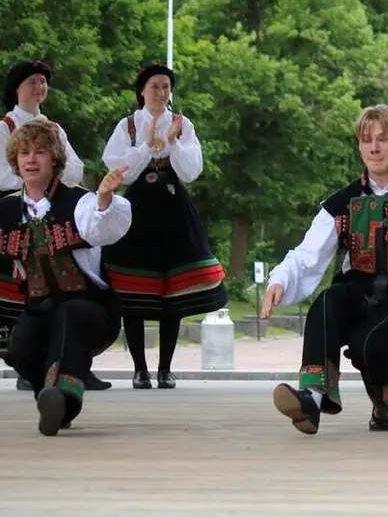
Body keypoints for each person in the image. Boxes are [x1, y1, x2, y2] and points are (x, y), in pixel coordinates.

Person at [261, 105, 388, 434]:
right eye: (366, 140)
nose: (374, 147)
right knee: (326, 303)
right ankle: (310, 399)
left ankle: (385, 402)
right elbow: (307, 253)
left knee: (367, 343)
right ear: (359, 146)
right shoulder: (340, 203)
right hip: (356, 291)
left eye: (383, 139)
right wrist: (280, 280)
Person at [1, 120, 131, 435]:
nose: (31, 159)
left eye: (41, 152)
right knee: (20, 344)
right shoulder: (6, 210)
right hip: (40, 309)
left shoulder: (80, 202)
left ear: (55, 160)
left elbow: (101, 227)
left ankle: (63, 401)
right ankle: (51, 403)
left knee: (71, 315)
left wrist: (103, 200)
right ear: (16, 161)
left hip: (92, 310)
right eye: (25, 153)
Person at [101, 64, 227, 389]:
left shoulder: (183, 124)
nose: (161, 92)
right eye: (155, 86)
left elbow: (191, 171)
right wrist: (148, 146)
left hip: (172, 208)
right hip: (137, 209)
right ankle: (140, 368)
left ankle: (165, 368)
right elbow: (120, 170)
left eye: (166, 86)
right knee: (133, 292)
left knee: (172, 293)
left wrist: (172, 142)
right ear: (142, 90)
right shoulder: (128, 125)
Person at [1, 60, 107, 392]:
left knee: (70, 286)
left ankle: (73, 369)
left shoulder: (55, 127)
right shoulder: (4, 126)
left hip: (55, 208)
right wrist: (35, 171)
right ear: (17, 88)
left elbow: (74, 169)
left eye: (43, 82)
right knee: (28, 296)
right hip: (15, 213)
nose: (39, 87)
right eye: (32, 81)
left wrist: (50, 174)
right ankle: (33, 365)